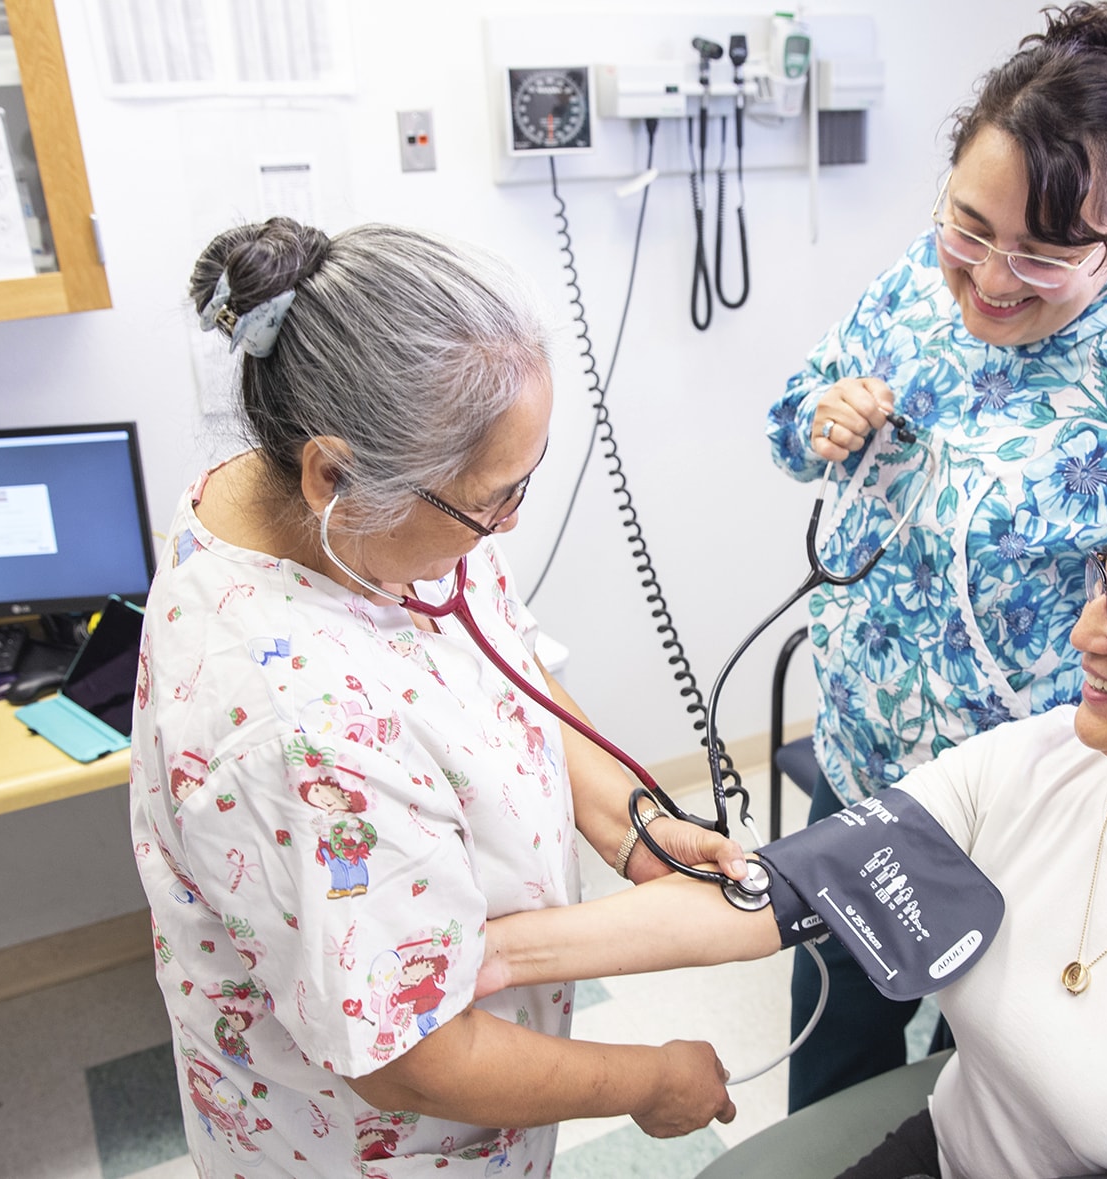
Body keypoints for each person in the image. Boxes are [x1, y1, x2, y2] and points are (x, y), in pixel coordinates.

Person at [478, 464, 1107, 1179]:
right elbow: (775, 893)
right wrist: (489, 952)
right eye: (1106, 585)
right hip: (941, 1156)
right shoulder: (1043, 764)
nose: (1087, 635)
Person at [128, 218, 749, 1176]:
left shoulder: (323, 510)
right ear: (333, 472)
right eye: (493, 500)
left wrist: (627, 822)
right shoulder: (297, 735)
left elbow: (501, 656)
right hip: (374, 1143)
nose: (510, 522)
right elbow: (410, 1059)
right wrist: (652, 1080)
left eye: (525, 477)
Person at [763, 1, 1107, 1109]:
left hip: (1032, 813)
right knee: (834, 1046)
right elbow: (791, 415)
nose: (990, 277)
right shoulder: (910, 287)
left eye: (1041, 252)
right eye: (969, 228)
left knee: (984, 1094)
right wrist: (823, 418)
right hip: (861, 761)